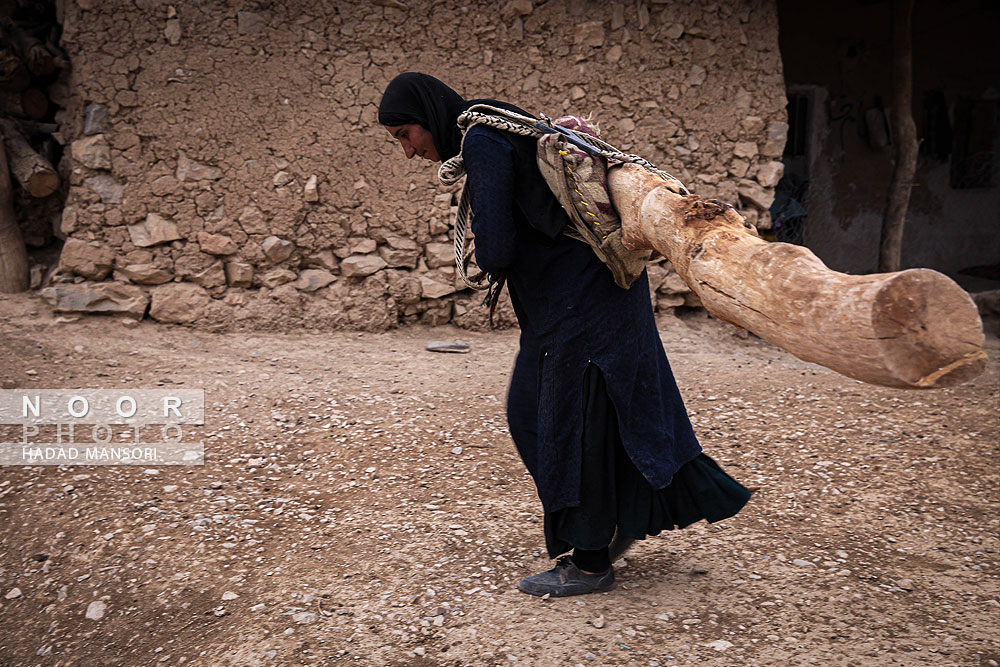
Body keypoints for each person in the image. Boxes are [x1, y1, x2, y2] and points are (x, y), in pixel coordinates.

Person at [378, 72, 751, 597]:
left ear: (427, 114)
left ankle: (592, 561)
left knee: (553, 423)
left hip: (575, 308)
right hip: (599, 295)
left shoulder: (482, 141)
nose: (408, 150)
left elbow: (498, 250)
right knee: (598, 416)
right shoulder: (494, 120)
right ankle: (611, 527)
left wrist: (485, 241)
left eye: (404, 135)